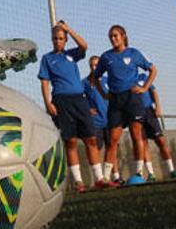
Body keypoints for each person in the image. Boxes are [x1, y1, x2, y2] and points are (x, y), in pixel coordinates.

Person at [38, 22, 104, 193]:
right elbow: (44, 82)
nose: (58, 41)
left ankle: (99, 178)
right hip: (61, 102)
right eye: (55, 38)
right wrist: (48, 103)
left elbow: (84, 45)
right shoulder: (47, 58)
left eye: (61, 38)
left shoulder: (71, 55)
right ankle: (78, 182)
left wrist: (68, 29)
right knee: (71, 141)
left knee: (91, 138)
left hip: (80, 101)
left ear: (66, 40)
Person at [93, 25, 157, 186]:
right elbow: (95, 77)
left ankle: (138, 172)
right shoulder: (106, 57)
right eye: (110, 36)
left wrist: (144, 88)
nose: (113, 39)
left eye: (115, 35)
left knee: (136, 135)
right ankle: (106, 177)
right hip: (116, 100)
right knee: (113, 139)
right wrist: (104, 94)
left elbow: (153, 70)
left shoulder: (134, 53)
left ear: (123, 36)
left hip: (132, 98)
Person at [82, 56, 121, 184]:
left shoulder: (108, 80)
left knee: (112, 147)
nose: (94, 67)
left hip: (110, 120)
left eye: (96, 65)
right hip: (96, 122)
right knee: (96, 149)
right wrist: (87, 109)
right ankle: (98, 179)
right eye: (92, 65)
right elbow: (79, 98)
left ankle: (115, 177)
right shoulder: (85, 82)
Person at [136, 71, 176, 180]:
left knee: (160, 140)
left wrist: (158, 107)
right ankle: (151, 174)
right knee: (143, 143)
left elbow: (153, 91)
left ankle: (171, 170)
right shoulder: (125, 80)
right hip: (135, 113)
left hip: (149, 112)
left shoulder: (143, 76)